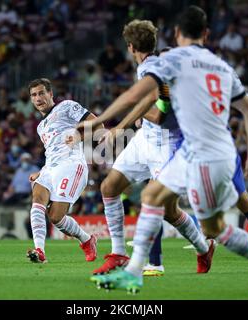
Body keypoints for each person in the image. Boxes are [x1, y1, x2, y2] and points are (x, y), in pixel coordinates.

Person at [81, 6, 248, 293]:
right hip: (209, 148)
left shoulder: (172, 60)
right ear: (206, 34)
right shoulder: (222, 66)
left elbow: (139, 97)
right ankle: (133, 270)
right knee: (151, 196)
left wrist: (105, 122)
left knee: (212, 228)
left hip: (200, 151)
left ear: (178, 34)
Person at [91, 20, 214, 278]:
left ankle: (195, 251)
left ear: (130, 46)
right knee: (109, 187)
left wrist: (125, 124)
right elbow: (148, 105)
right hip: (144, 141)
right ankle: (118, 253)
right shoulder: (151, 66)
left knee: (165, 209)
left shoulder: (153, 70)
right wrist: (134, 120)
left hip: (167, 145)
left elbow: (157, 114)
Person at [25, 78, 100, 263]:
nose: (38, 98)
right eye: (34, 95)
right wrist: (41, 172)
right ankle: (39, 251)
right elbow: (52, 153)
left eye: (41, 93)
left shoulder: (66, 106)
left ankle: (86, 240)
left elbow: (97, 124)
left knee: (56, 217)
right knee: (37, 200)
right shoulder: (40, 127)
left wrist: (79, 137)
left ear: (51, 94)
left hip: (71, 165)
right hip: (50, 169)